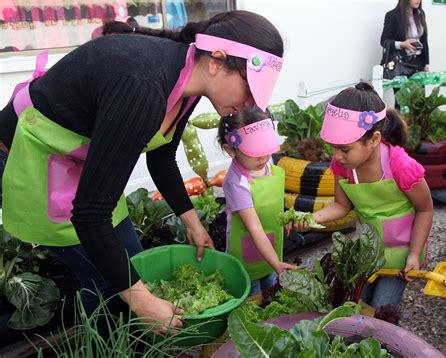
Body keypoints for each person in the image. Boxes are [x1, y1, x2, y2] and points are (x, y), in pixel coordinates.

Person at [0, 10, 284, 330]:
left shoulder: (188, 83)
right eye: (249, 89)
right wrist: (144, 302)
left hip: (79, 162)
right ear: (217, 61)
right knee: (106, 283)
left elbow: (161, 157)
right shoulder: (143, 86)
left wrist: (192, 222)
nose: (250, 104)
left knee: (130, 266)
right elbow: (90, 214)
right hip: (31, 157)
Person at [293, 82, 433, 315]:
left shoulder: (402, 166)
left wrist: (415, 254)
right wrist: (310, 217)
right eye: (334, 148)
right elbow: (341, 205)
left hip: (401, 253)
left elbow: (425, 210)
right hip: (369, 251)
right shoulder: (344, 165)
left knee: (382, 309)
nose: (336, 156)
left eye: (345, 149)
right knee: (358, 303)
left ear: (374, 139)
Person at [218, 107, 297, 296]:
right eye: (255, 151)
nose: (263, 156)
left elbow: (275, 196)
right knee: (253, 295)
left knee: (271, 288)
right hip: (247, 251)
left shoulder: (267, 164)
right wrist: (276, 263)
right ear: (231, 149)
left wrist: (287, 214)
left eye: (267, 149)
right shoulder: (237, 182)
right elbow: (253, 228)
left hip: (270, 244)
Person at [381, 0, 429, 108]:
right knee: (402, 102)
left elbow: (424, 41)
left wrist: (426, 64)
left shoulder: (421, 14)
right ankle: (400, 124)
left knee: (419, 102)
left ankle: (417, 125)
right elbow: (384, 41)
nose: (418, 0)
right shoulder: (392, 15)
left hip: (418, 63)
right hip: (401, 64)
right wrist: (402, 44)